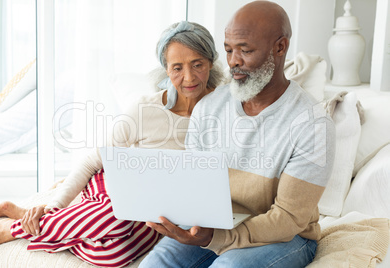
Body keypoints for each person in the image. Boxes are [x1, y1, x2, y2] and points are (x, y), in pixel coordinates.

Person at [0, 21, 223, 267]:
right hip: (115, 186)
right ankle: (10, 229)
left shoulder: (224, 109)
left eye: (197, 64)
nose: (188, 77)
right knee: (112, 219)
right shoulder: (146, 108)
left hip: (162, 210)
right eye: (177, 68)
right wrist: (55, 205)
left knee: (111, 254)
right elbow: (93, 160)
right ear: (165, 69)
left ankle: (31, 218)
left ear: (210, 62)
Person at [139, 1, 335, 267]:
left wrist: (217, 239)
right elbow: (197, 186)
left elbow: (288, 219)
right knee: (155, 264)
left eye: (245, 50)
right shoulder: (209, 107)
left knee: (228, 266)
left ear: (280, 47)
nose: (233, 62)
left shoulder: (313, 124)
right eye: (229, 50)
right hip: (216, 225)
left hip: (286, 238)